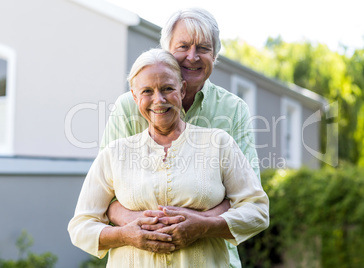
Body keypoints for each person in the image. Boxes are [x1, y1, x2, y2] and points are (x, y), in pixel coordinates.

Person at [68, 48, 269, 267]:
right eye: (147, 91)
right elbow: (80, 226)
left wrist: (204, 226)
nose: (159, 99)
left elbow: (257, 209)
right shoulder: (115, 153)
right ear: (135, 97)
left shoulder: (219, 144)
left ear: (182, 90)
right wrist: (125, 235)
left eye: (167, 88)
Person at [102, 8, 262, 267]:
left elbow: (246, 197)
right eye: (184, 46)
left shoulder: (233, 110)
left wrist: (201, 226)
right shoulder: (128, 108)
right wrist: (146, 226)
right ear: (166, 51)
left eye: (203, 48)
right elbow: (106, 197)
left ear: (215, 55)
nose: (192, 56)